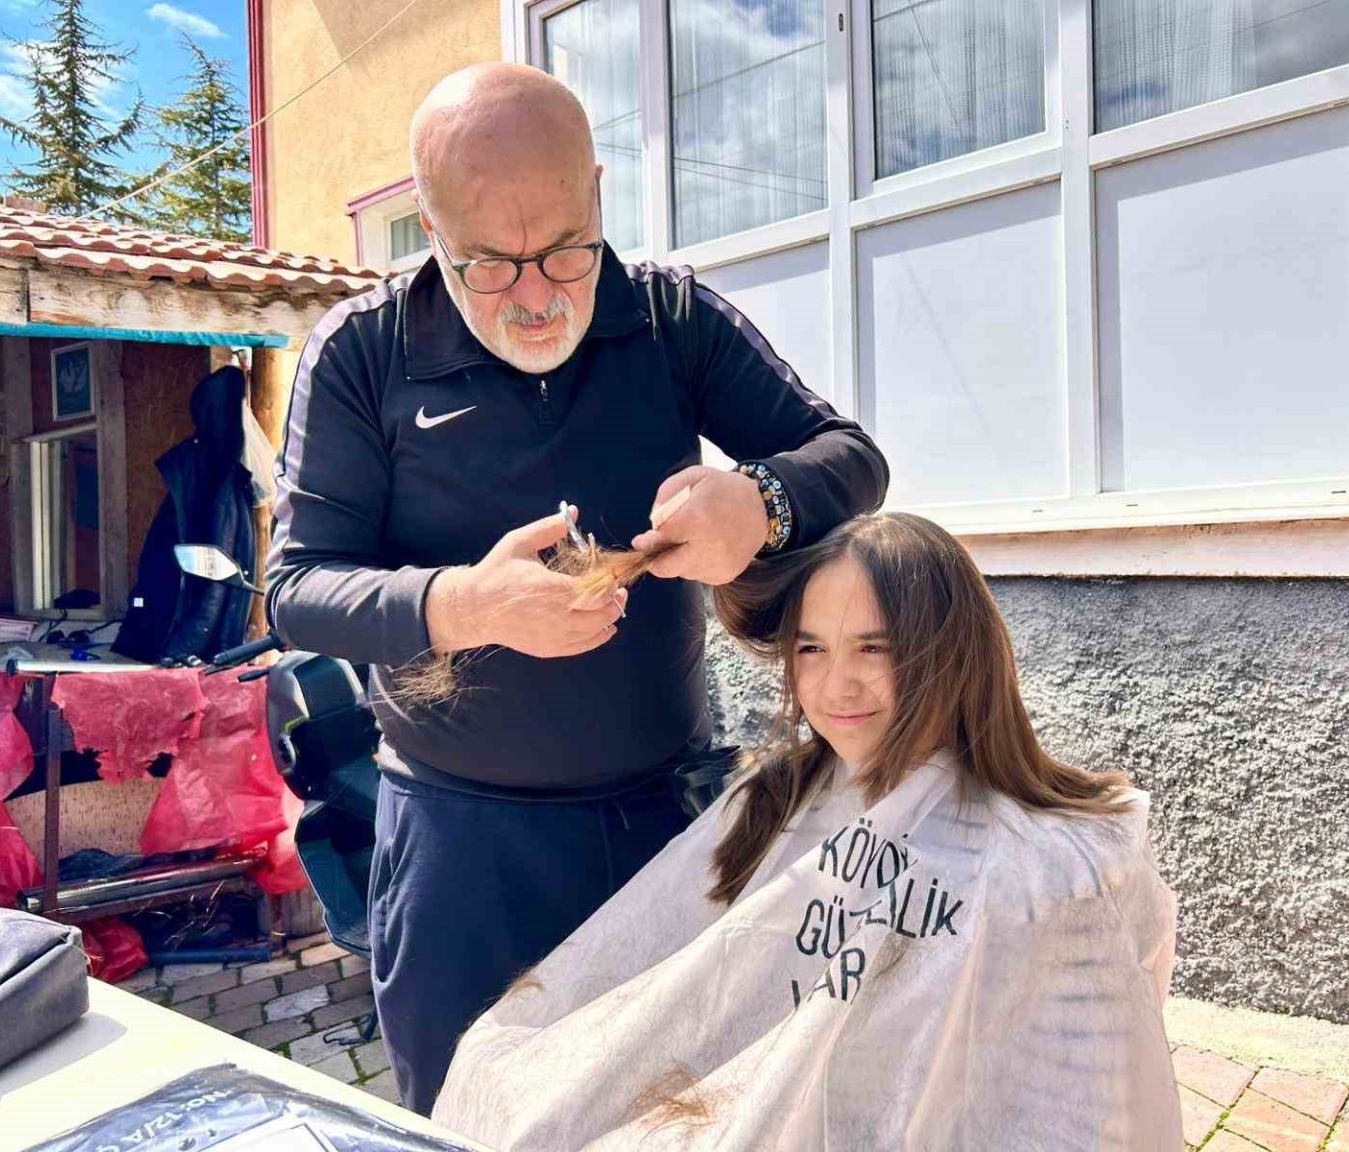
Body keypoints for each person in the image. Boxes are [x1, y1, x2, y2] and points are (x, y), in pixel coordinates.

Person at [265, 62, 888, 1114]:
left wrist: (761, 504)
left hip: (664, 823)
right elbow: (295, 588)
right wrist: (463, 605)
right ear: (429, 228)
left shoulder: (670, 318)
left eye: (566, 249)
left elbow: (852, 458)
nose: (537, 295)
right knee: (462, 1121)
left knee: (674, 1117)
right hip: (459, 846)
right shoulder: (363, 354)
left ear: (598, 195)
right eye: (490, 266)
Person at [433, 513, 1183, 1150]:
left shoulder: (1053, 864)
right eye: (812, 648)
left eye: (874, 648)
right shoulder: (775, 798)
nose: (836, 684)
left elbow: (1085, 1107)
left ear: (955, 654)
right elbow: (684, 987)